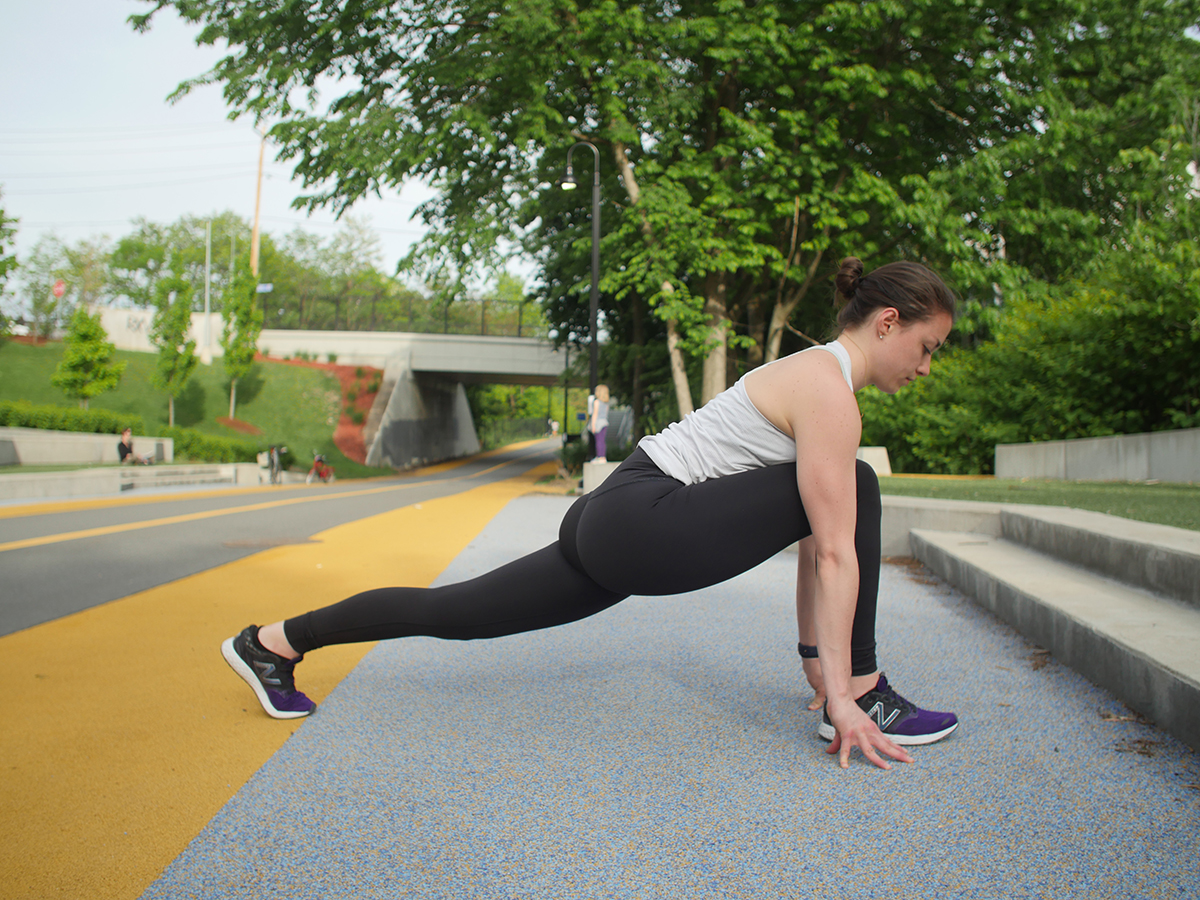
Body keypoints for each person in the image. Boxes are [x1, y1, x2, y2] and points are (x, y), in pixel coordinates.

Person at [223, 257, 959, 769]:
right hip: (645, 516)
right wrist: (839, 691)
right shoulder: (829, 393)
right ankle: (864, 692)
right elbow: (834, 551)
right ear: (888, 322)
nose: (925, 370)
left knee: (459, 610)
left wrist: (812, 664)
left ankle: (274, 643)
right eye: (927, 349)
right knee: (856, 487)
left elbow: (812, 538)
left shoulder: (810, 376)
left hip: (617, 512)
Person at [588, 384, 611, 463]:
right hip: (604, 422)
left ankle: (600, 457)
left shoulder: (597, 402)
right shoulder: (606, 403)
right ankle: (602, 456)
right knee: (602, 441)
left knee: (598, 441)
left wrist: (593, 425)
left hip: (598, 423)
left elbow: (595, 414)